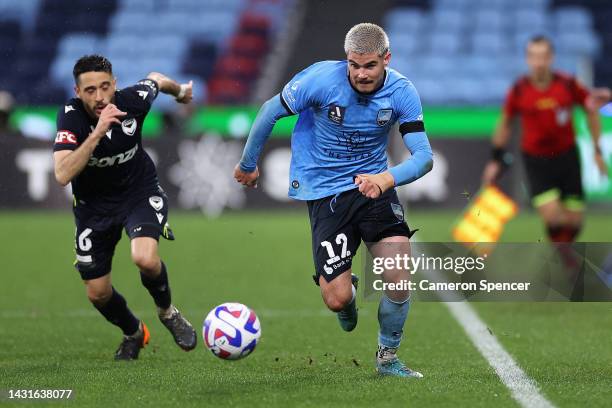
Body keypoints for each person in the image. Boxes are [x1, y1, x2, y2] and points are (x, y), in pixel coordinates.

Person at [234, 23, 433, 378]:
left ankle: (388, 358)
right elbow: (269, 111)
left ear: (386, 59)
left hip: (374, 188)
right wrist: (248, 165)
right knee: (337, 299)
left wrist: (386, 178)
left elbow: (423, 157)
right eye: (353, 65)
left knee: (399, 276)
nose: (360, 73)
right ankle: (347, 294)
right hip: (326, 192)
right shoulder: (320, 80)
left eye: (369, 65)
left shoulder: (402, 92)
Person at [53, 55, 197, 360]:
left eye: (105, 87)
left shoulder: (133, 100)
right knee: (97, 293)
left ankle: (168, 312)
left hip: (138, 192)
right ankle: (134, 332)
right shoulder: (71, 116)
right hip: (94, 208)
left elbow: (156, 78)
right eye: (90, 90)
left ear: (114, 84)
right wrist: (98, 131)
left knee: (144, 258)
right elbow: (62, 173)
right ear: (77, 92)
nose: (100, 96)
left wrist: (180, 92)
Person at [482, 35, 611, 242]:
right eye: (534, 57)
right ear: (528, 59)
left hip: (567, 158)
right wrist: (495, 159)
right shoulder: (518, 90)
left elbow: (592, 109)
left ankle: (564, 254)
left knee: (574, 222)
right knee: (553, 217)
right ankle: (567, 259)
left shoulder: (568, 84)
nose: (539, 62)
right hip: (537, 161)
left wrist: (597, 151)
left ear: (551, 58)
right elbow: (505, 124)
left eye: (543, 56)